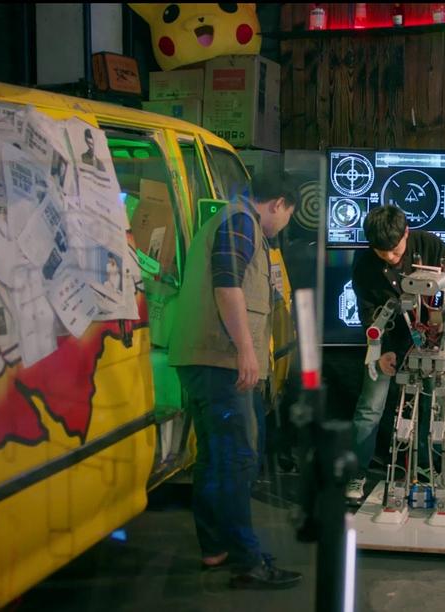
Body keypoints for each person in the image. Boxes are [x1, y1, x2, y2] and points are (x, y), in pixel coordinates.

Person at [168, 170, 301, 589]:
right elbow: (227, 286)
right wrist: (246, 350)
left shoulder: (231, 221)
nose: (284, 225)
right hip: (221, 363)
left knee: (214, 457)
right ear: (278, 204)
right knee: (239, 459)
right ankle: (248, 561)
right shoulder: (241, 221)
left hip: (203, 360)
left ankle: (217, 547)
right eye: (288, 215)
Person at [346, 205, 445, 501]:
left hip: (430, 340)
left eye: (395, 250)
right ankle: (356, 475)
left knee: (431, 407)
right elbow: (368, 311)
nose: (389, 256)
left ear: (406, 233)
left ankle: (425, 470)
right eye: (381, 251)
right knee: (369, 409)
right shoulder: (364, 264)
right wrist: (382, 350)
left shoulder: (431, 246)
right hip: (390, 340)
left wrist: (438, 311)